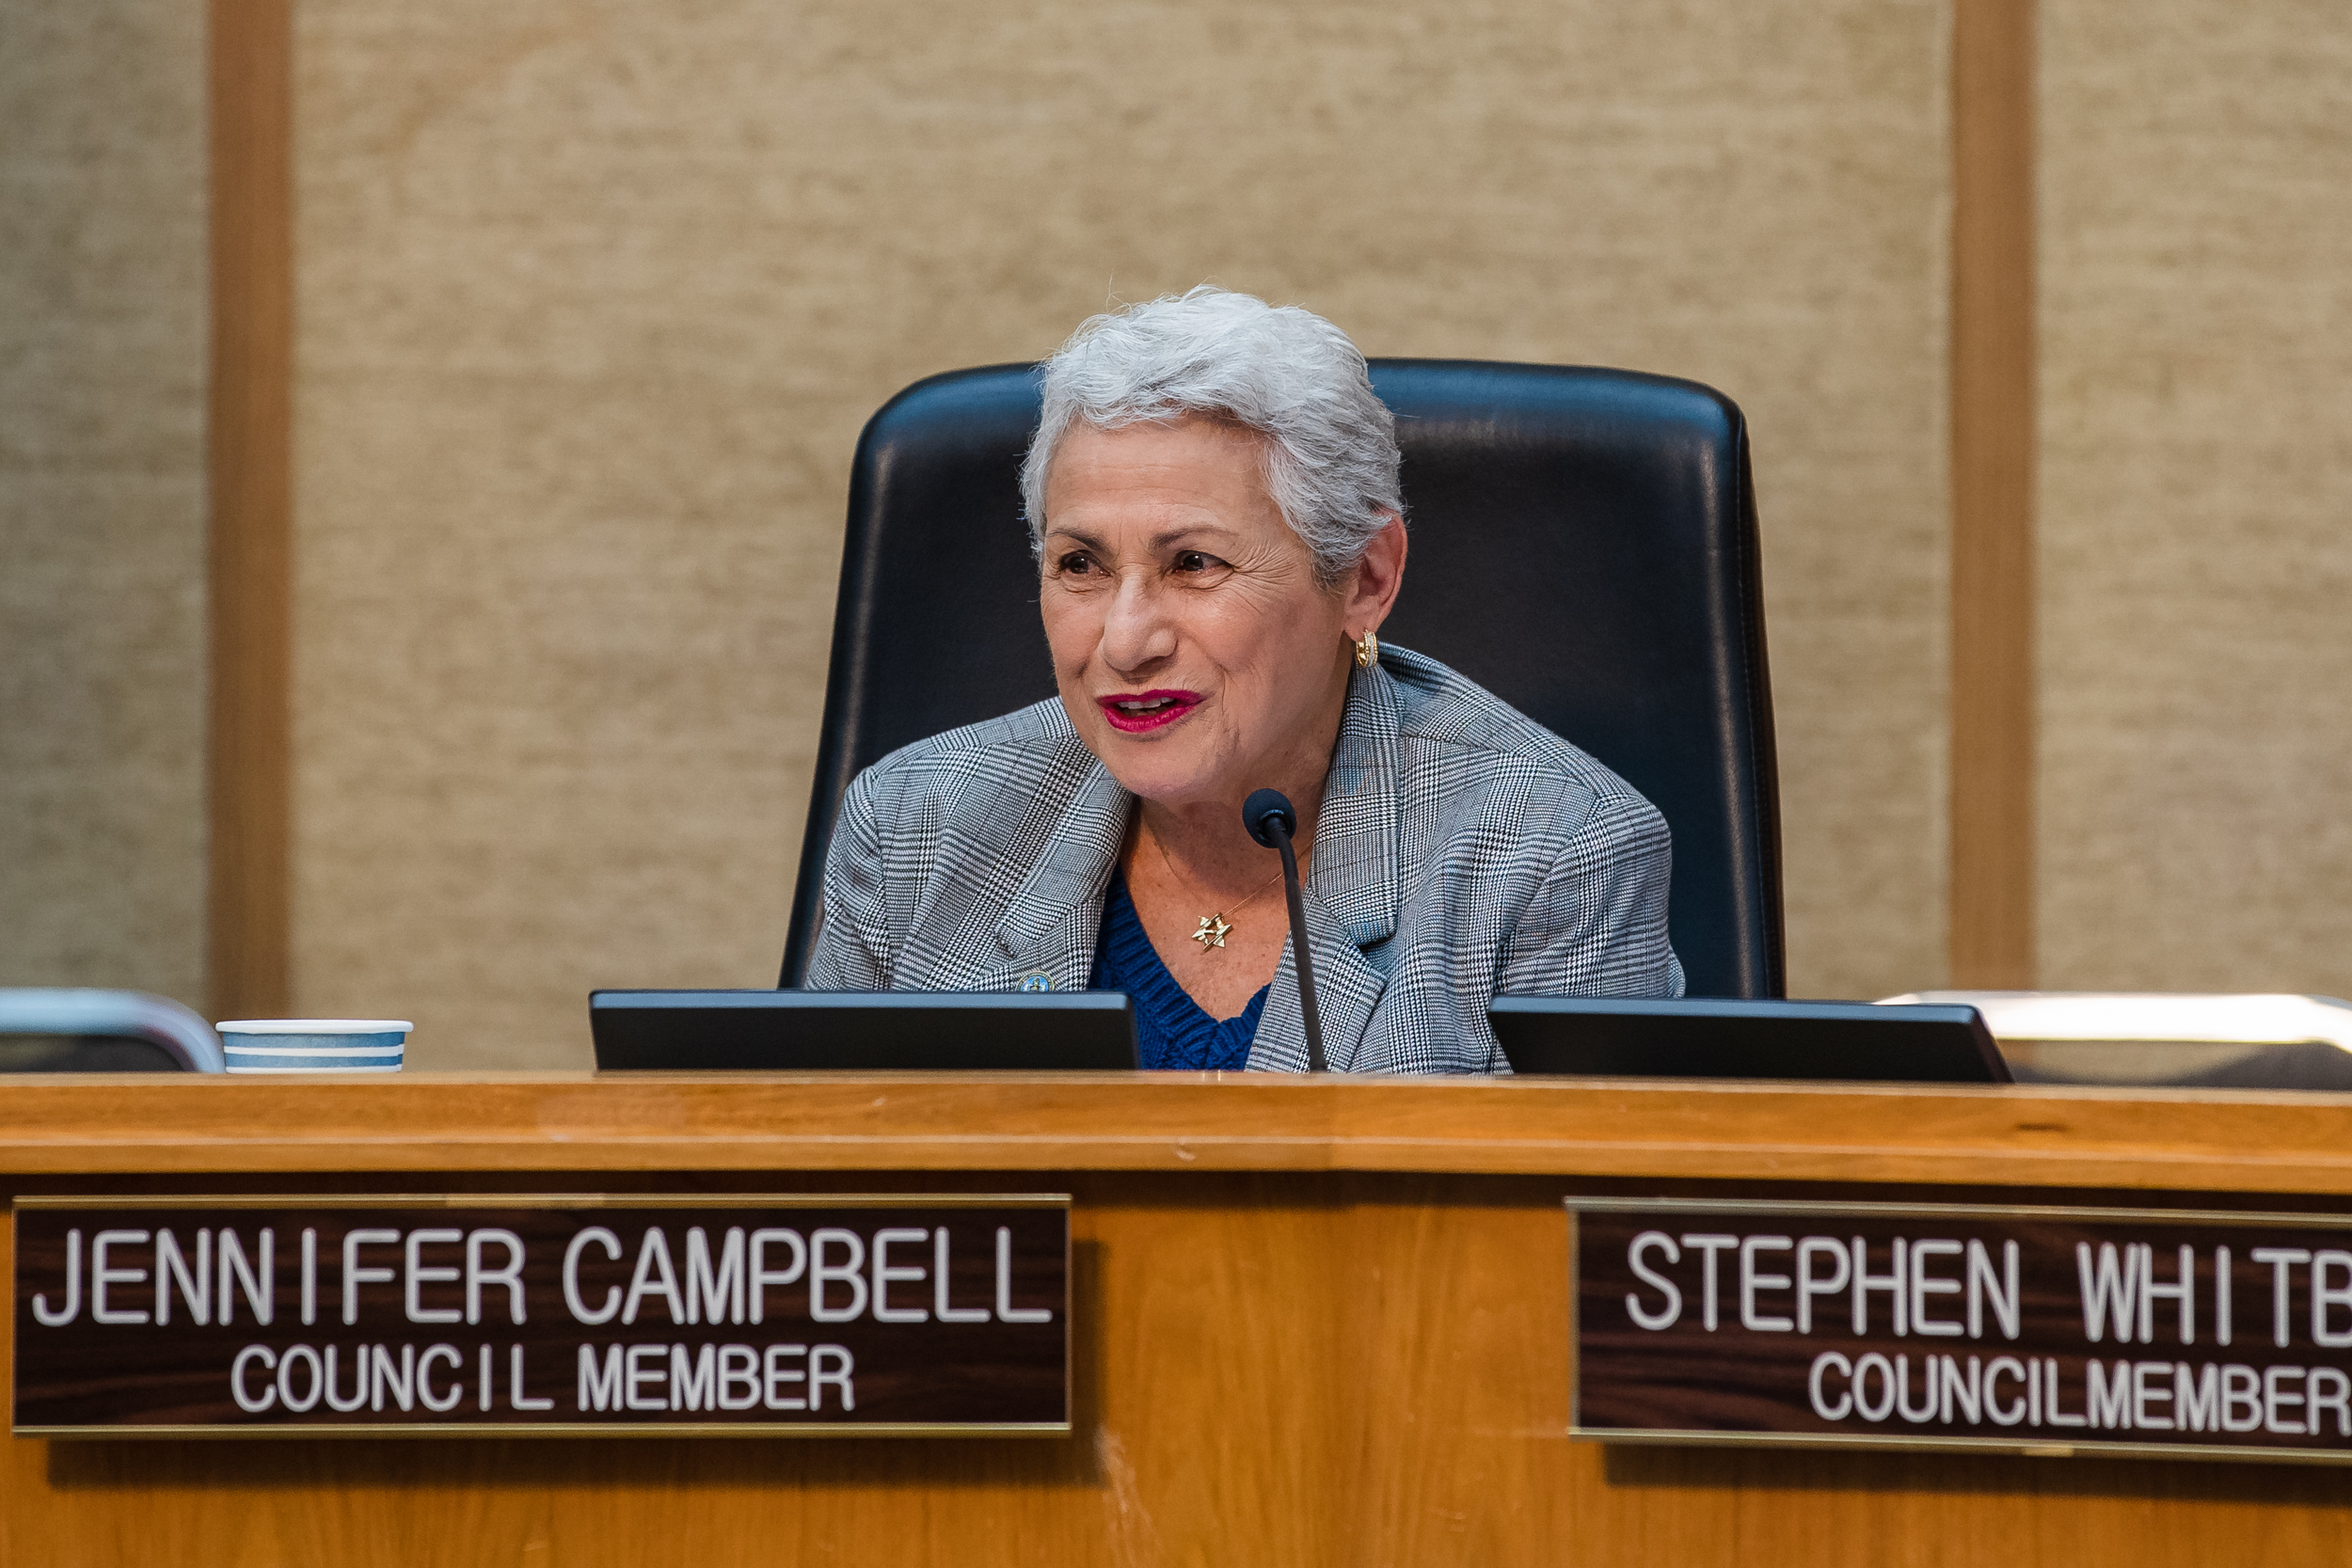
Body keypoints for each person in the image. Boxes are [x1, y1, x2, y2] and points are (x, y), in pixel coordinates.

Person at [806, 286, 1683, 1072]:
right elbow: (825, 1211)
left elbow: (1585, 1241)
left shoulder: (1554, 858)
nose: (1125, 640)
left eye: (1194, 563)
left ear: (1366, 579)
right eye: (1081, 563)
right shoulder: (914, 827)